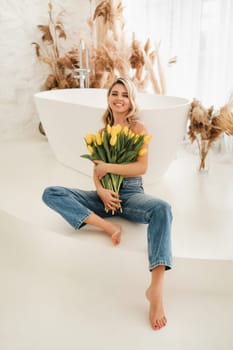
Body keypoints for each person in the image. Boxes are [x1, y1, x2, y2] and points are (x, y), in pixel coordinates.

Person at [42, 77, 172, 330]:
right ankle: (106, 226)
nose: (119, 98)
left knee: (162, 208)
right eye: (115, 93)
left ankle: (155, 290)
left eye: (125, 94)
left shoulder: (138, 129)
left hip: (131, 194)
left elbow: (141, 167)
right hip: (104, 196)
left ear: (131, 100)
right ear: (108, 98)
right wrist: (101, 191)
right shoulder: (101, 134)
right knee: (51, 192)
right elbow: (96, 173)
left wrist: (108, 168)